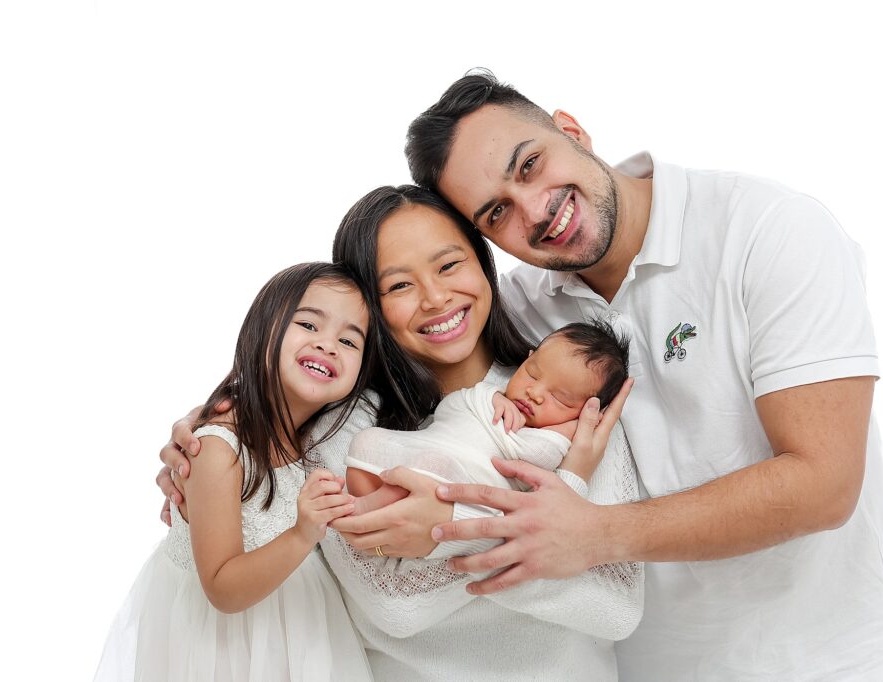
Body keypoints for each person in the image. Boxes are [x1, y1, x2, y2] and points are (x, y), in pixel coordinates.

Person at [400, 71, 883, 681]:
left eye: (529, 165)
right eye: (497, 212)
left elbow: (824, 482)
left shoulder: (766, 229)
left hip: (833, 664)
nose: (535, 209)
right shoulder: (519, 311)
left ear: (571, 130)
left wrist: (594, 533)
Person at [159, 185, 644, 681]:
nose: (435, 298)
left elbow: (619, 604)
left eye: (449, 265)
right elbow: (392, 607)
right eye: (398, 286)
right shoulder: (340, 433)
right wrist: (214, 439)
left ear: (482, 261)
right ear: (368, 307)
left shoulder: (569, 403)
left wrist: (459, 528)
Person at [97, 263, 375, 681]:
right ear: (263, 329)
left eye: (349, 340)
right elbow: (222, 589)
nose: (328, 345)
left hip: (299, 636)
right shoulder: (216, 448)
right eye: (308, 324)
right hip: (224, 650)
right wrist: (302, 533)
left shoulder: (320, 443)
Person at [344, 319, 630, 502]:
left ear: (586, 413)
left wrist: (572, 429)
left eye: (561, 399)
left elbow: (538, 456)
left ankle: (370, 511)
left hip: (453, 484)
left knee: (434, 467)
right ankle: (366, 502)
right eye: (532, 373)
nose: (535, 393)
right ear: (527, 360)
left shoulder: (551, 440)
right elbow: (448, 410)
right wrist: (491, 397)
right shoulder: (491, 393)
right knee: (367, 441)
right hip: (422, 448)